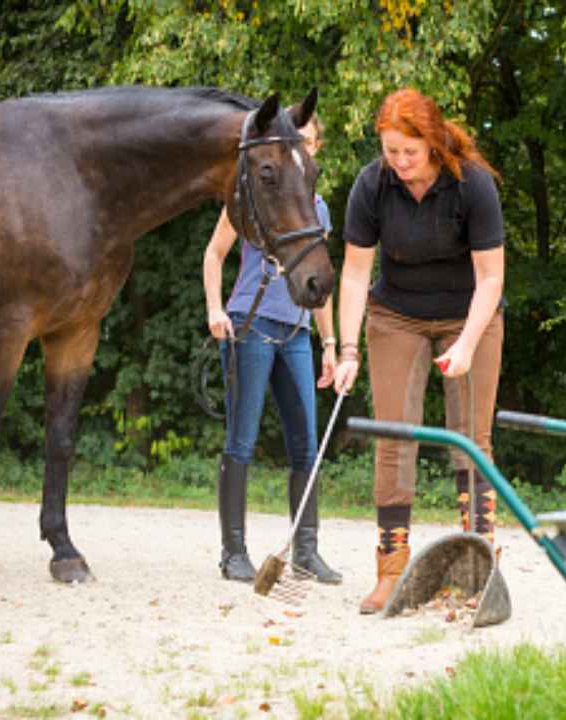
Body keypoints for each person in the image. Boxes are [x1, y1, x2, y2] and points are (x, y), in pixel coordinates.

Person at [333, 88, 506, 614]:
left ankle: (478, 568)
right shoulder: (372, 184)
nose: (401, 163)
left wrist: (469, 344)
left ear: (432, 143)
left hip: (467, 313)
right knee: (393, 438)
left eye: (410, 151)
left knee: (470, 439)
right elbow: (357, 272)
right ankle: (391, 569)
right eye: (391, 152)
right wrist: (345, 350)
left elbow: (491, 274)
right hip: (396, 316)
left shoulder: (471, 185)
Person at [202, 113, 341, 585]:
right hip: (252, 322)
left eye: (305, 141)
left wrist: (331, 342)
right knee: (241, 438)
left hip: (297, 332)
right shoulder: (250, 194)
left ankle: (307, 551)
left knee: (307, 444)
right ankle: (233, 551)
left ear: (314, 149)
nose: (296, 146)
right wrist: (215, 309)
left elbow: (319, 281)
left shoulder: (318, 210)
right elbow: (213, 253)